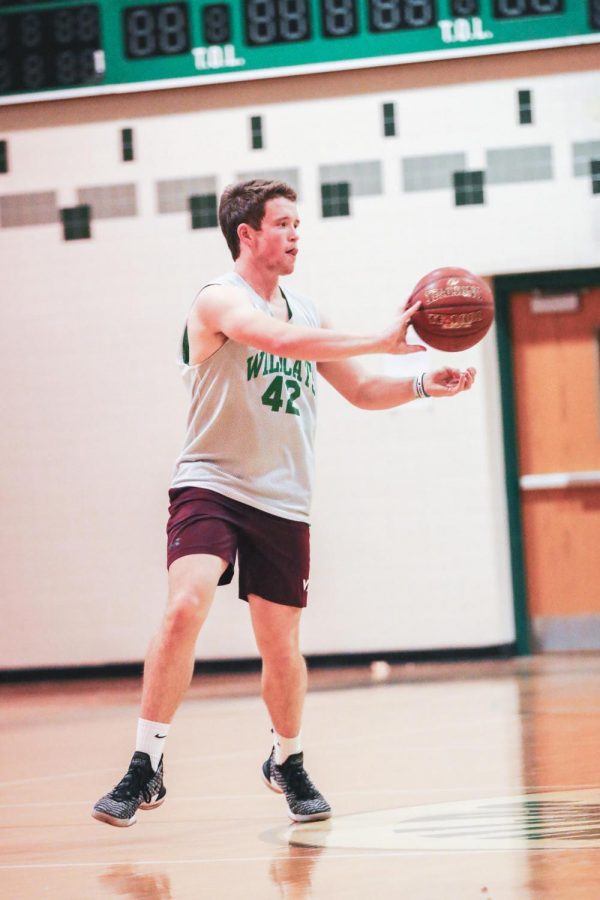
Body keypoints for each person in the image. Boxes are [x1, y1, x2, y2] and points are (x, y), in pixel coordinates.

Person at [92, 179, 476, 828]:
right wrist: (380, 338)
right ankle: (144, 762)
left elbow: (357, 391)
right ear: (247, 234)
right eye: (285, 223)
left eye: (300, 224)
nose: (297, 233)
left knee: (280, 645)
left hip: (283, 497)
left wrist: (420, 383)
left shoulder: (310, 308)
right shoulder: (220, 300)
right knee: (185, 604)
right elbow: (275, 340)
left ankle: (287, 760)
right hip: (210, 481)